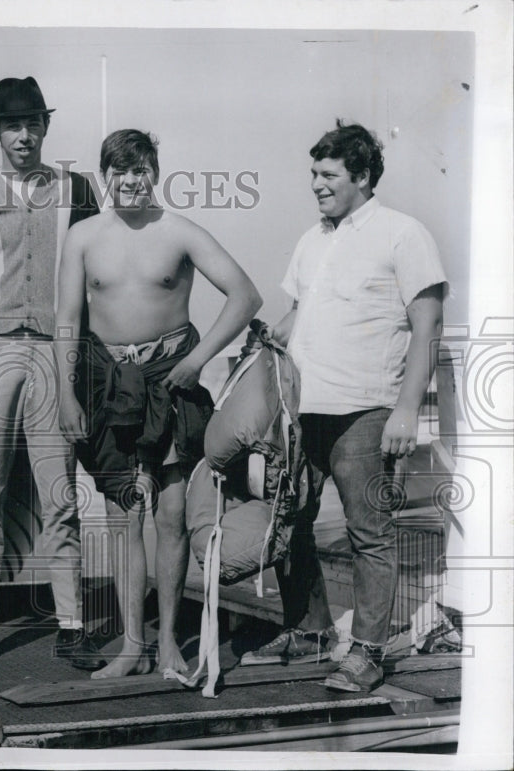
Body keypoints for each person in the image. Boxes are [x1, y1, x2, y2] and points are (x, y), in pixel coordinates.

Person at [239, 121, 446, 693]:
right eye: (313, 173)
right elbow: (300, 317)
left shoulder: (404, 234)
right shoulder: (313, 240)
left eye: (328, 175)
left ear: (362, 176)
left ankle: (367, 653)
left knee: (369, 534)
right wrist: (261, 344)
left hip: (367, 412)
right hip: (305, 412)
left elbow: (428, 325)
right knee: (291, 521)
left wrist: (408, 410)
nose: (316, 184)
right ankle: (307, 632)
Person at [56, 129, 262, 678]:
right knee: (124, 514)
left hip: (170, 380)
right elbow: (67, 323)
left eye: (141, 169)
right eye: (120, 171)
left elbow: (245, 295)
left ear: (155, 173)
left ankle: (168, 642)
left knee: (170, 515)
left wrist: (199, 360)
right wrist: (64, 393)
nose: (131, 181)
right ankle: (131, 646)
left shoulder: (181, 231)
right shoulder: (81, 236)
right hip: (108, 386)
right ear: (106, 177)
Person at [0, 76, 104, 672]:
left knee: (60, 498)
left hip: (56, 356)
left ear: (46, 127)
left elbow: (96, 285)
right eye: (12, 125)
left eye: (33, 123)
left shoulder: (79, 191)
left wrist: (87, 372)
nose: (23, 135)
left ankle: (73, 626)